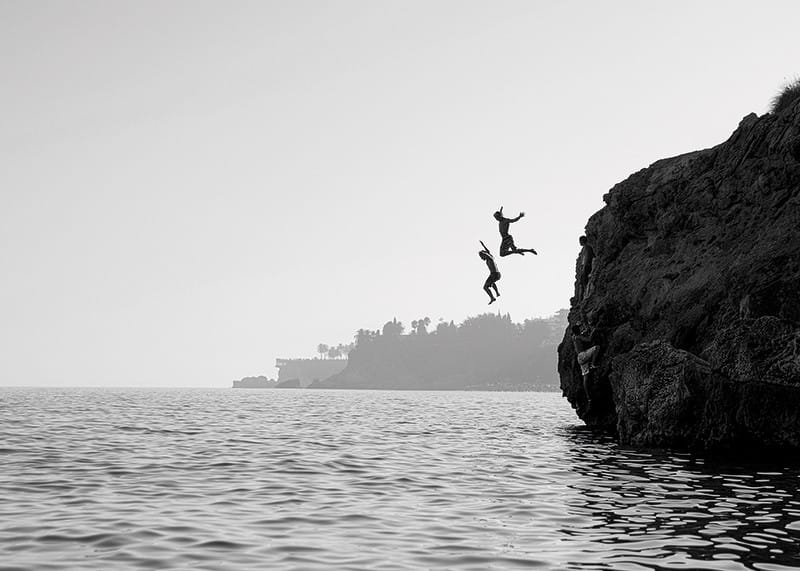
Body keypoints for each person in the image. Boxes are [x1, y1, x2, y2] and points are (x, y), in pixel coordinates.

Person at [571, 324, 600, 410]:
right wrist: (593, 331)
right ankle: (593, 364)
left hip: (579, 358)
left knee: (585, 377)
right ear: (578, 331)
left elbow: (579, 334)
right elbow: (589, 340)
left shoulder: (574, 337)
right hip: (583, 355)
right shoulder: (579, 337)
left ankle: (589, 398)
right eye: (579, 329)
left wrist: (582, 330)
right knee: (596, 348)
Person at [478, 240, 501, 304]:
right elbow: (488, 251)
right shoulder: (490, 257)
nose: (481, 258)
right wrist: (483, 245)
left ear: (484, 255)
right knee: (491, 283)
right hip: (496, 274)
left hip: (494, 274)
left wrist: (482, 252)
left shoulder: (489, 258)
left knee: (485, 287)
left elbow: (487, 253)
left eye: (481, 257)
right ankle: (497, 293)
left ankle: (492, 298)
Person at [576, 235, 595, 301]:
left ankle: (586, 295)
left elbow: (587, 257)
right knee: (582, 282)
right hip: (585, 266)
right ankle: (584, 296)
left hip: (587, 266)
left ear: (582, 241)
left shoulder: (587, 247)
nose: (579, 242)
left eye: (580, 241)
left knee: (585, 281)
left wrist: (584, 267)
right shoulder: (585, 248)